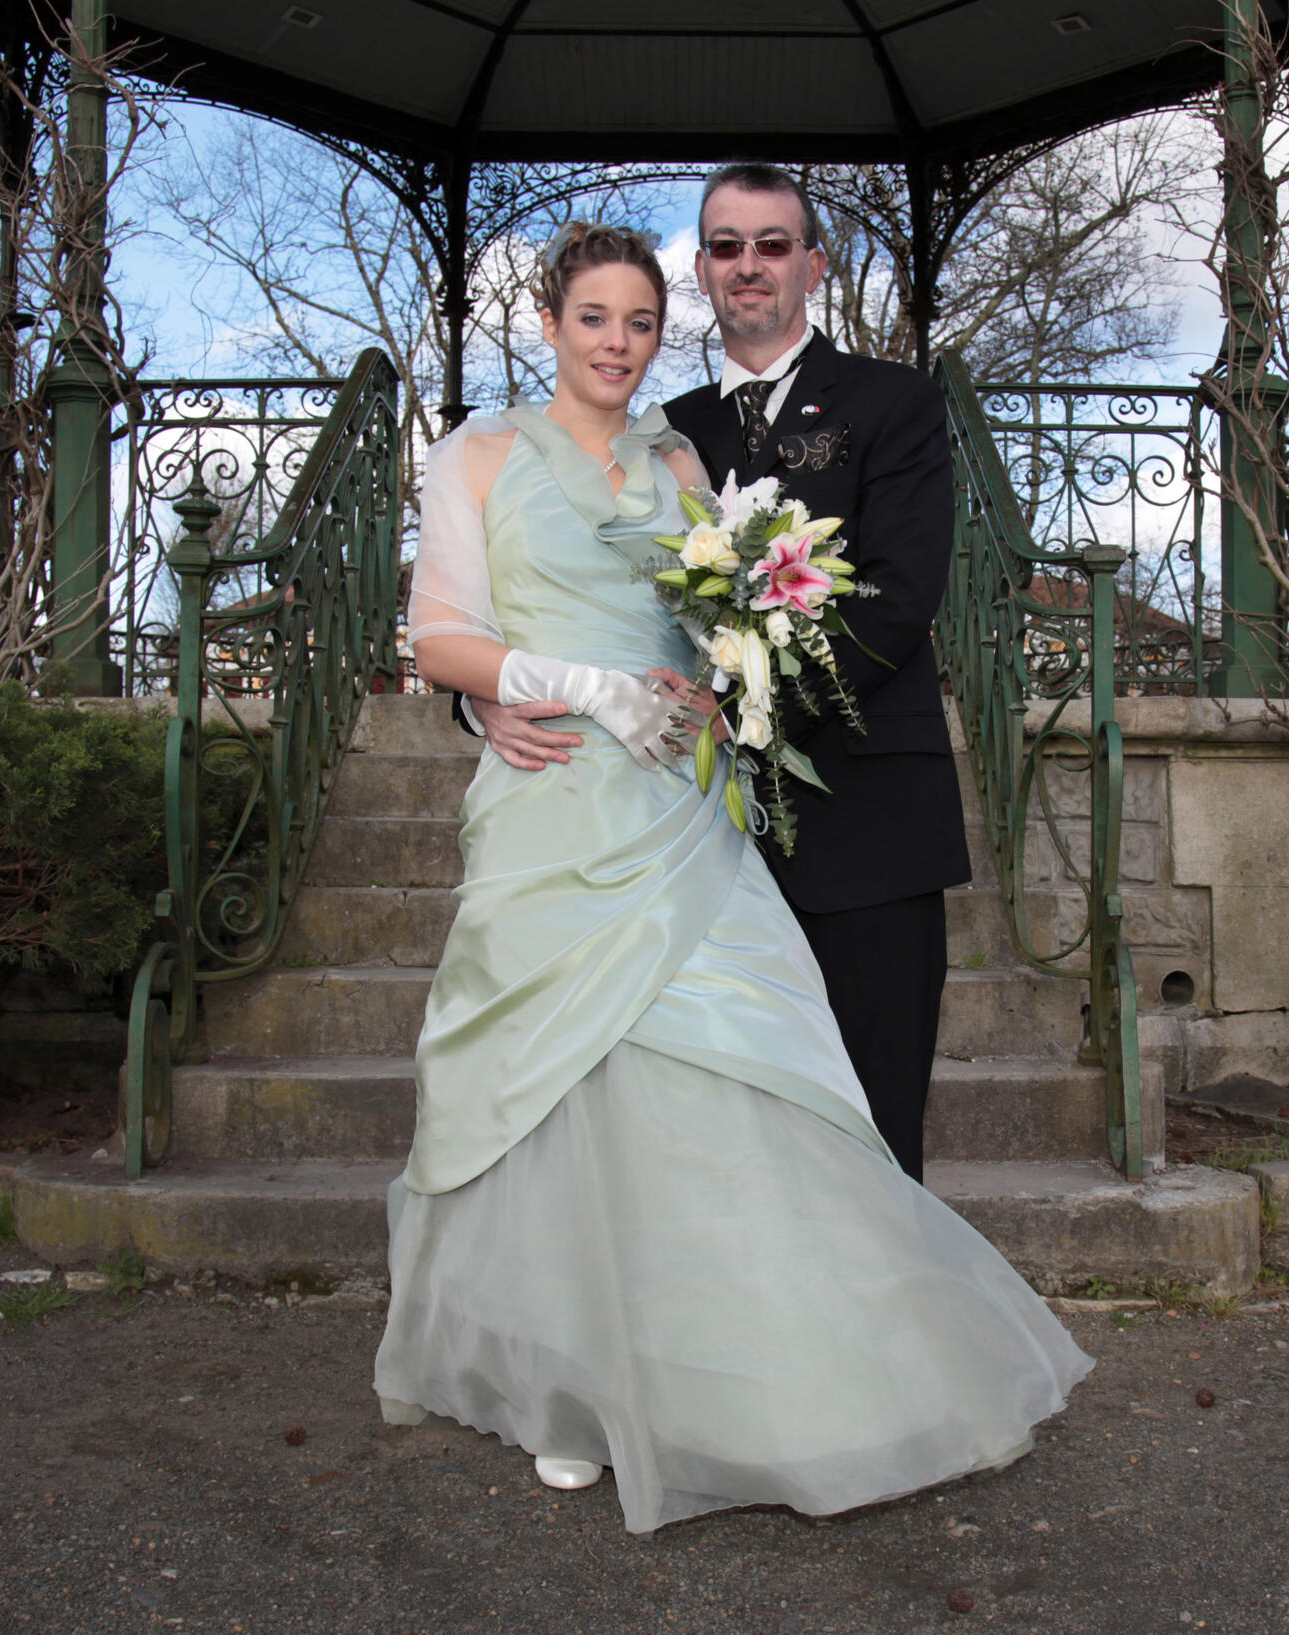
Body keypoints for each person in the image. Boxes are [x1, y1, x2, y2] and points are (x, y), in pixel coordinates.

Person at [373, 222, 1089, 1536]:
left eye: (638, 322)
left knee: (742, 1072)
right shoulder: (473, 454)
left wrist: (731, 680)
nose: (614, 341)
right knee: (561, 1094)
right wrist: (544, 691)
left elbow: (728, 615)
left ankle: (752, 1372)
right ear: (550, 322)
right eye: (592, 316)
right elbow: (438, 633)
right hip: (551, 803)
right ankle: (574, 1389)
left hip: (680, 802)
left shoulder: (683, 457)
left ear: (662, 332)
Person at [471, 166, 969, 1181]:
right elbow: (571, 582)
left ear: (814, 265)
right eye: (728, 247)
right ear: (702, 268)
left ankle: (878, 1332)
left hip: (866, 817)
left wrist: (745, 703)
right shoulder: (662, 430)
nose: (751, 266)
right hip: (683, 837)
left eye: (773, 244)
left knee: (874, 1120)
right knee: (724, 1144)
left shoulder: (896, 403)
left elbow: (901, 595)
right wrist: (484, 689)